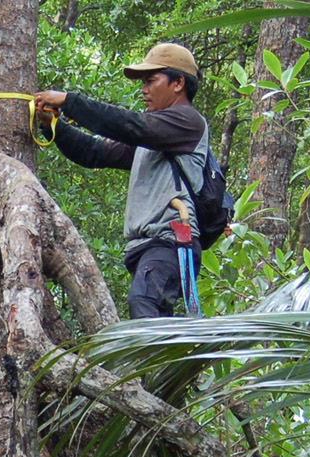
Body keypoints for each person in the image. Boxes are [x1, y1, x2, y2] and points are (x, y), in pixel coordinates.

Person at [34, 43, 210, 319]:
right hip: (148, 246)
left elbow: (131, 125)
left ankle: (155, 364)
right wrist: (52, 124)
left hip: (171, 241)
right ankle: (164, 362)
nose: (144, 90)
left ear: (178, 83)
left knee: (143, 301)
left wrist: (69, 101)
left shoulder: (187, 121)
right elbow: (93, 152)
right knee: (151, 311)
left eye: (151, 81)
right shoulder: (152, 137)